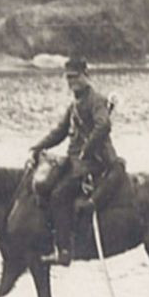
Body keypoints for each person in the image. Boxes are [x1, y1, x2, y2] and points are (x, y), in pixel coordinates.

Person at [27, 56, 118, 266]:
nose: (71, 82)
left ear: (86, 75)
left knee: (60, 194)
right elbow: (60, 131)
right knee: (44, 183)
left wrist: (86, 150)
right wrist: (39, 146)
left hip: (95, 161)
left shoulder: (96, 100)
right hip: (77, 161)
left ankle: (65, 250)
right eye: (68, 78)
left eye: (75, 77)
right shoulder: (75, 104)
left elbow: (103, 126)